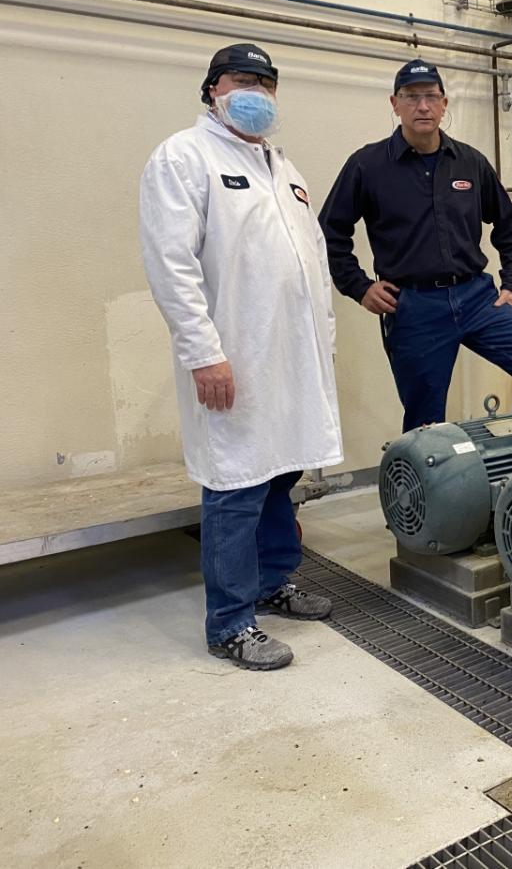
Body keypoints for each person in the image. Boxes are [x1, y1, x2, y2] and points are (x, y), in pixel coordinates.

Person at [140, 43, 343, 669]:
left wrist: (324, 346)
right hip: (234, 356)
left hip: (291, 359)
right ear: (211, 90)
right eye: (240, 79)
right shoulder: (183, 157)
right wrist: (204, 354)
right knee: (235, 483)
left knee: (281, 474)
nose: (254, 91)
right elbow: (171, 265)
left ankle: (271, 582)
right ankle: (229, 622)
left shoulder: (287, 170)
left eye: (265, 81)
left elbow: (314, 264)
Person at [319, 58, 512, 432]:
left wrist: (511, 285)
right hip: (415, 308)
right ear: (394, 104)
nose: (423, 106)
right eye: (411, 97)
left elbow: (508, 225)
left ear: (444, 103)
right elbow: (330, 232)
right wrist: (359, 287)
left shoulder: (470, 162)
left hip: (478, 298)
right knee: (425, 424)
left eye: (431, 97)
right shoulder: (368, 165)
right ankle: (420, 491)